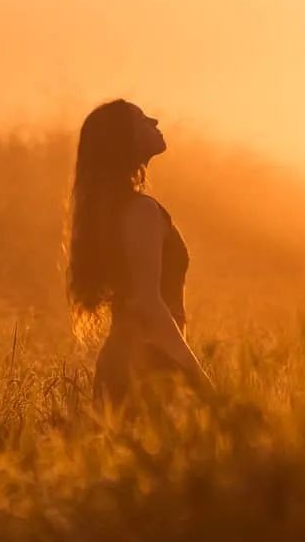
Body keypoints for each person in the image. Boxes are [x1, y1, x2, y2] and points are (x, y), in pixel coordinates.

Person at [65, 99, 216, 411]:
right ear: (124, 140)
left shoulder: (117, 210)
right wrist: (199, 377)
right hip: (148, 365)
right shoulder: (140, 210)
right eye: (142, 119)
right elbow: (146, 301)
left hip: (133, 360)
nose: (155, 120)